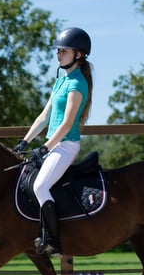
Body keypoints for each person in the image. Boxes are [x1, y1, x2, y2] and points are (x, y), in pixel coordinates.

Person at [12, 27, 93, 258]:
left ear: (78, 54)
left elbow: (67, 124)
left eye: (63, 50)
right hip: (52, 145)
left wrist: (46, 147)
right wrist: (24, 141)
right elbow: (44, 116)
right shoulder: (60, 81)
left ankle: (54, 242)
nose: (58, 54)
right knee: (27, 181)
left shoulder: (77, 84)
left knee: (39, 186)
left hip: (65, 146)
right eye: (58, 50)